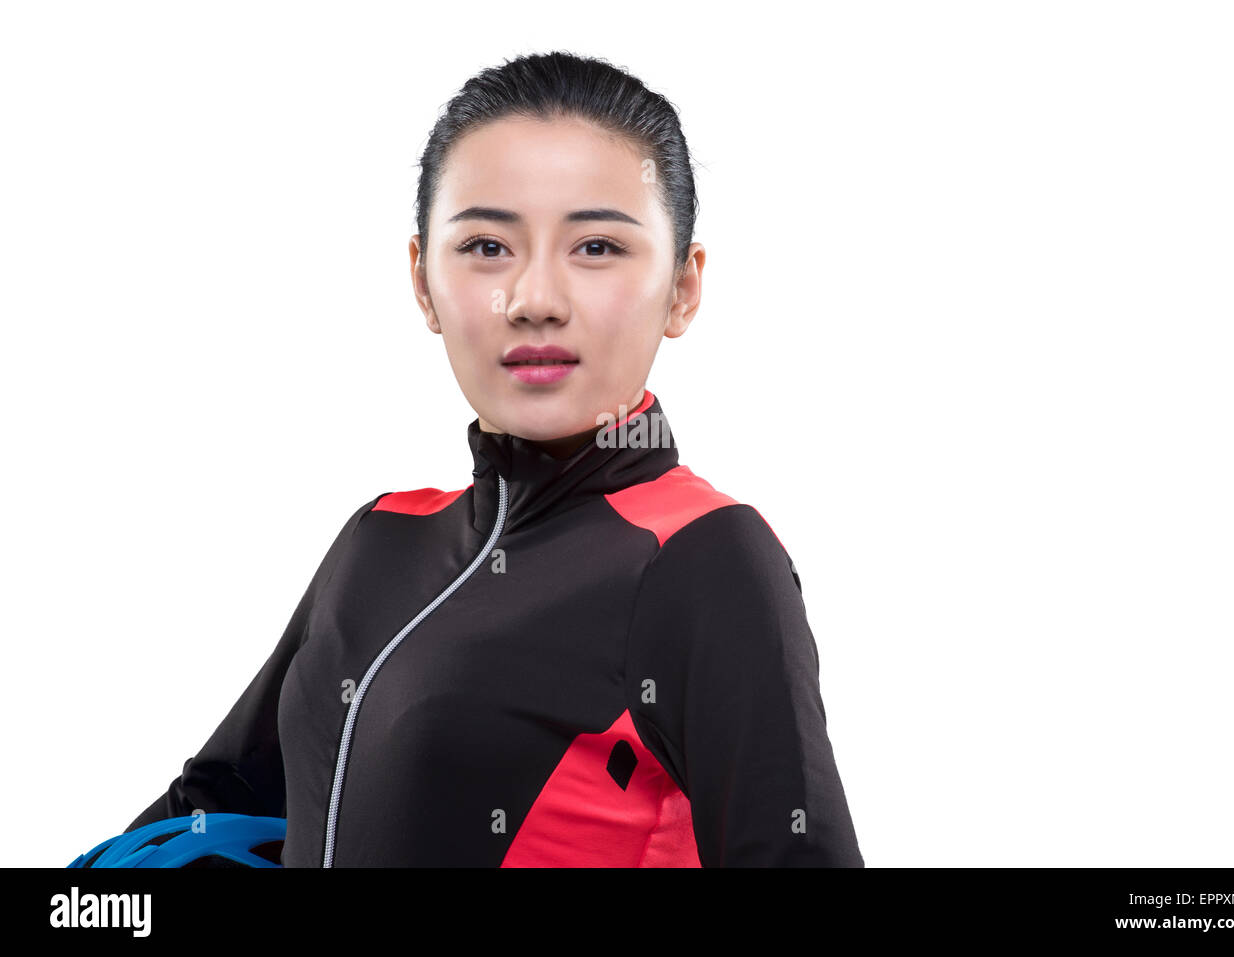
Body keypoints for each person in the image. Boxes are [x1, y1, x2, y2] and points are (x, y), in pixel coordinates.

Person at [125, 50, 864, 867]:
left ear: (683, 289)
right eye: (485, 246)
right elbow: (214, 803)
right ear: (422, 281)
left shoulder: (704, 557)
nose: (535, 299)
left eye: (597, 248)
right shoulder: (382, 537)